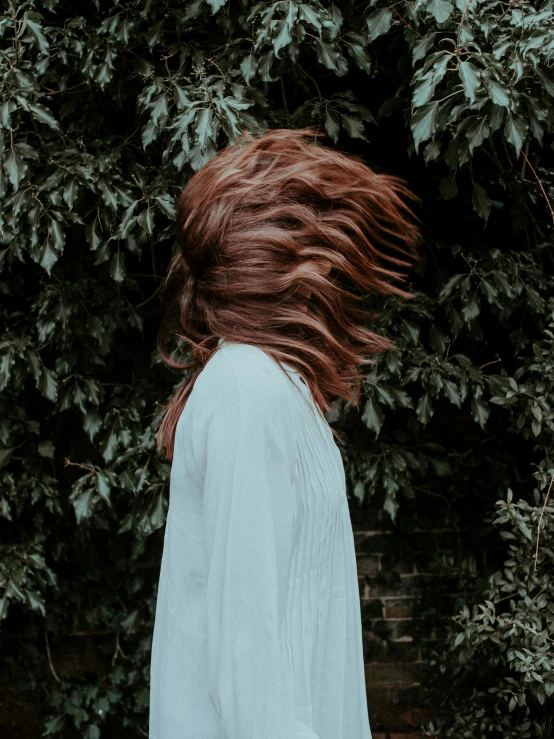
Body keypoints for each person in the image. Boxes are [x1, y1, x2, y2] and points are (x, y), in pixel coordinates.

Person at [149, 127, 420, 739]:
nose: (327, 264)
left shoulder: (265, 385)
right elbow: (249, 669)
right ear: (274, 265)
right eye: (308, 242)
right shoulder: (247, 387)